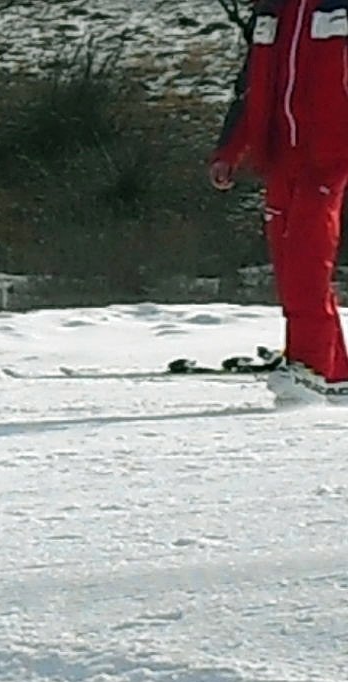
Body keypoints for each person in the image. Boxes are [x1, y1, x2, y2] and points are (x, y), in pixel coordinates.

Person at [211, 0, 348, 401]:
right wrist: (228, 151)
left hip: (330, 156)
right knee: (291, 269)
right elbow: (249, 84)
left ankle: (310, 369)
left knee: (306, 262)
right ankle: (336, 375)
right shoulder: (270, 8)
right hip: (279, 158)